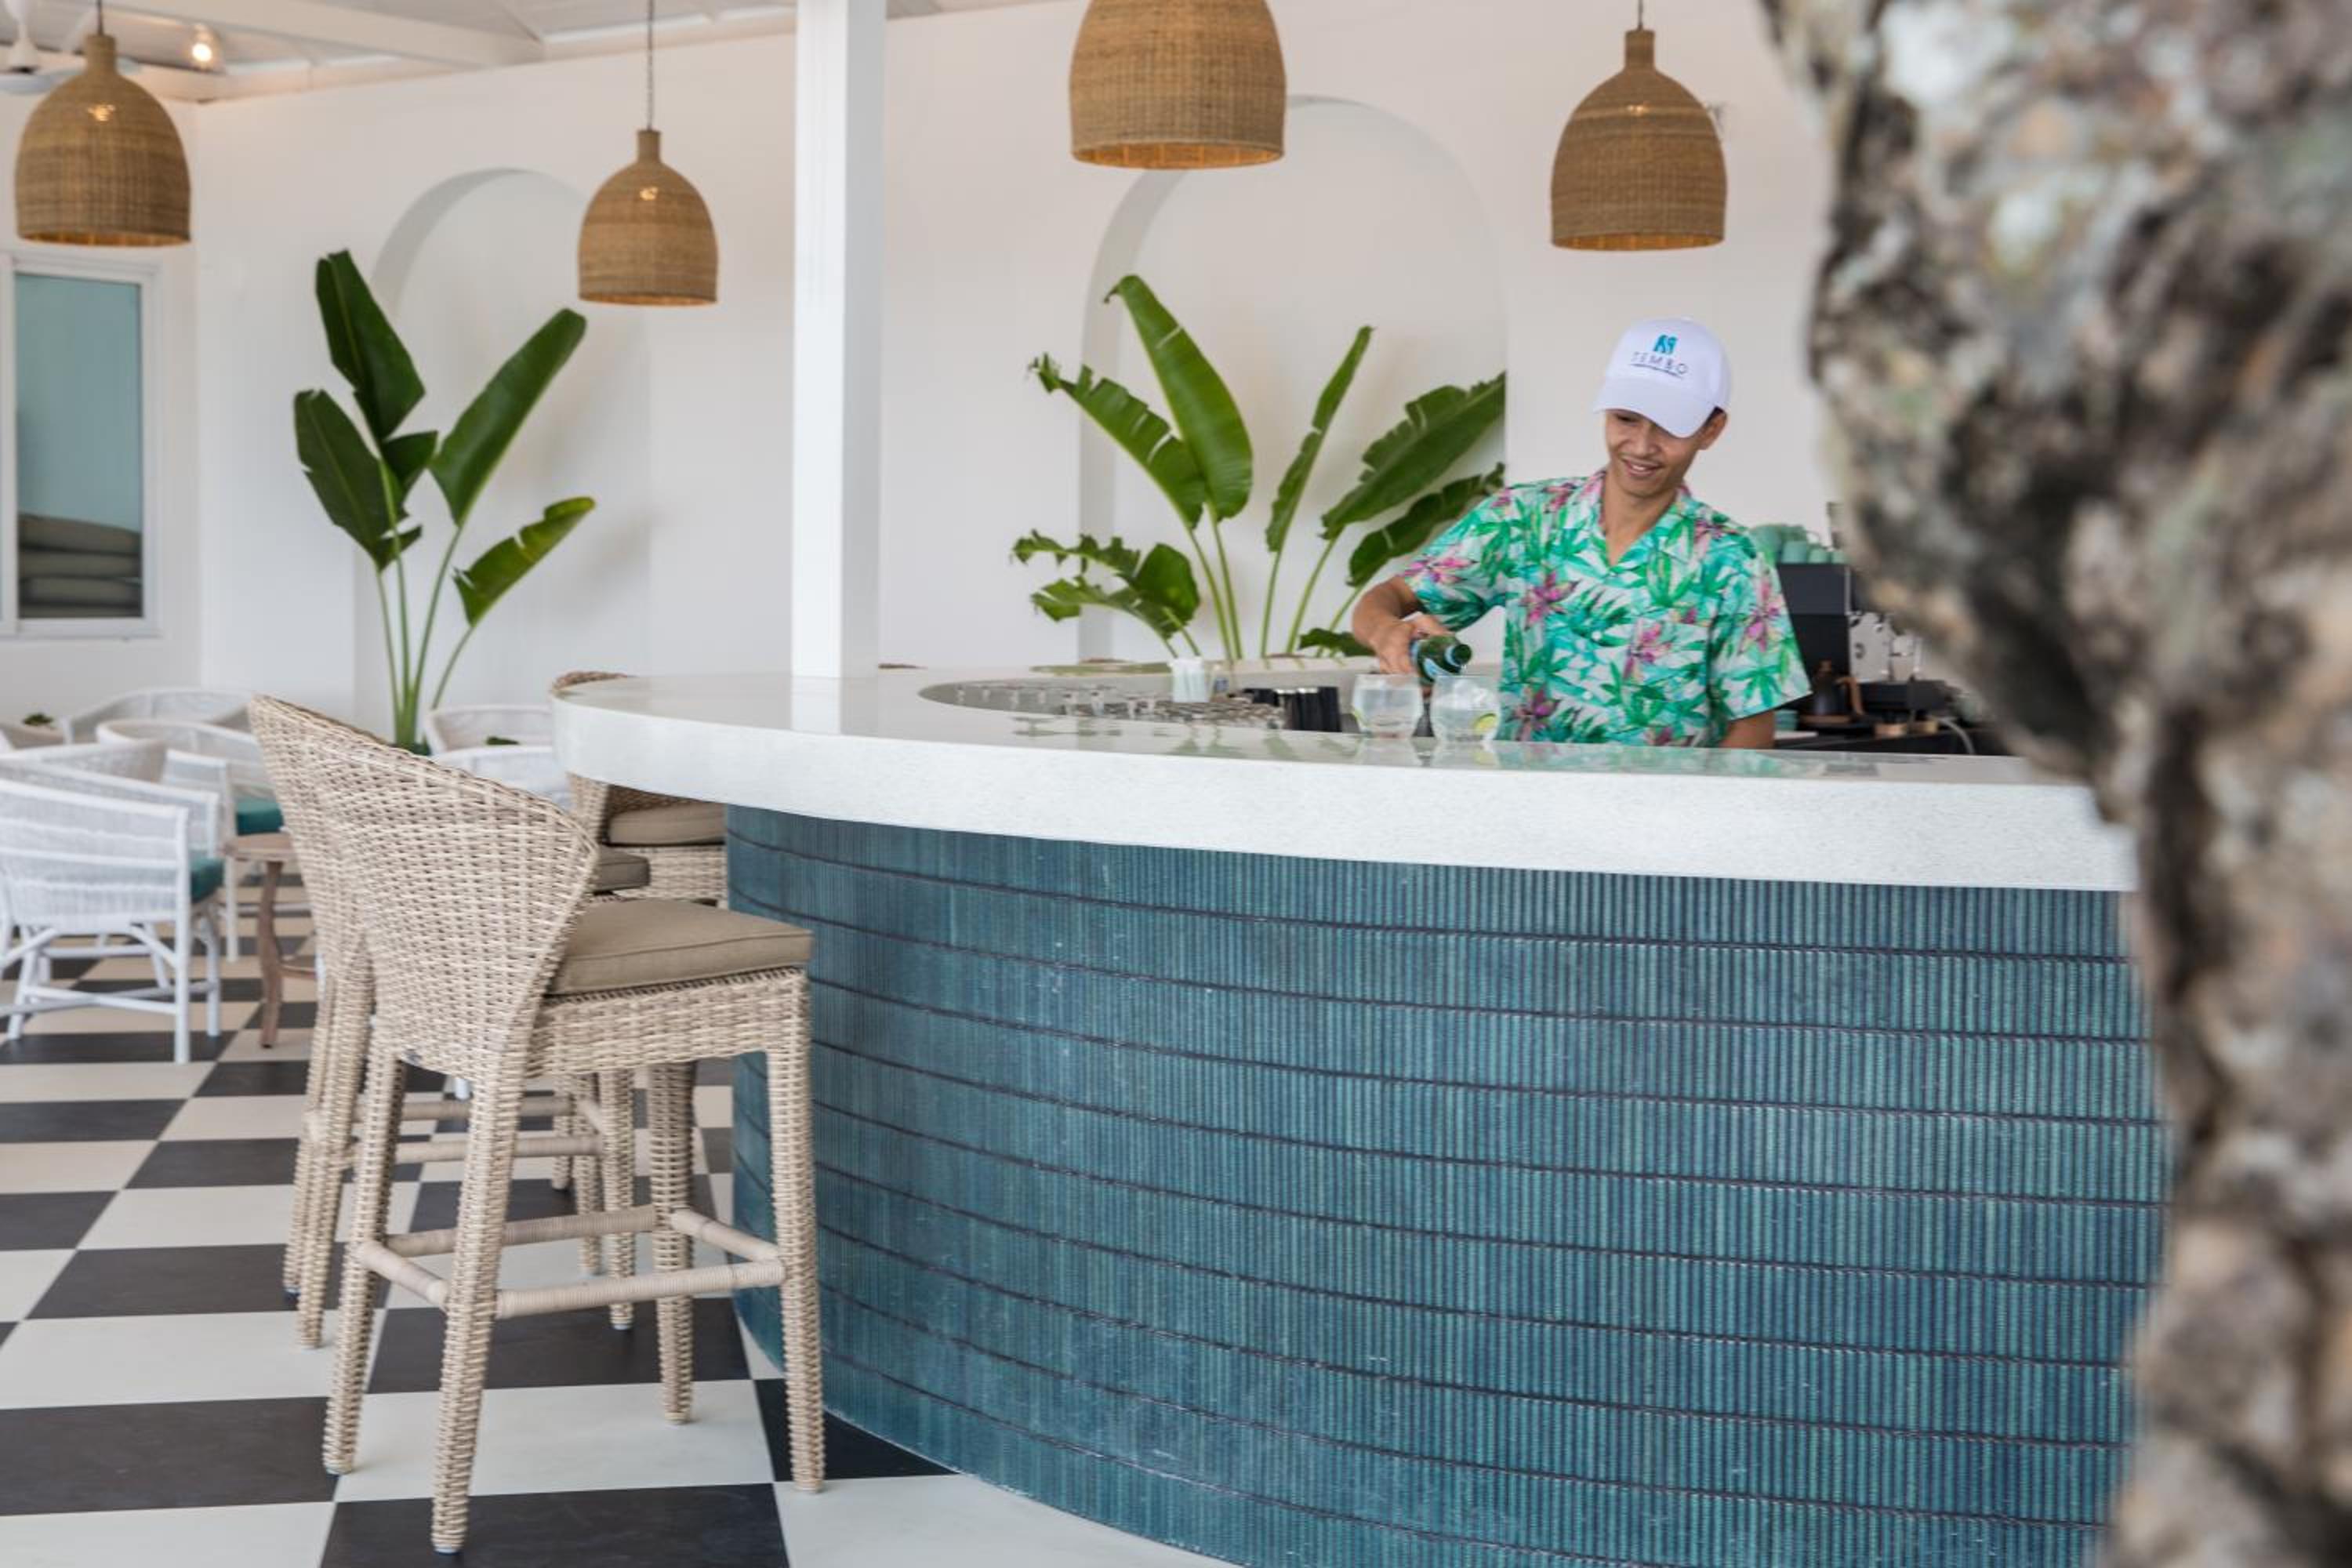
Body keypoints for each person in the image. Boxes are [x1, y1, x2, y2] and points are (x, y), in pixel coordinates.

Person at [1351, 318, 1808, 749]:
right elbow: (1388, 598)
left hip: (1667, 805)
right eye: (1626, 419)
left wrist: (1698, 809)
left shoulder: (1734, 557)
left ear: (1711, 430)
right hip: (1526, 801)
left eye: (1670, 427)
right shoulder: (1521, 518)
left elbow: (1753, 725)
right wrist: (1387, 631)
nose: (1642, 446)